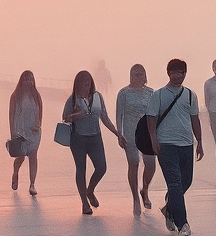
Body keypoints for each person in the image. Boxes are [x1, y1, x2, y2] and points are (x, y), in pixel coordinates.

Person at [147, 59, 204, 236]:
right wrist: (154, 140)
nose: (178, 75)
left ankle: (169, 208)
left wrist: (200, 141)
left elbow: (195, 119)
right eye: (175, 72)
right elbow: (151, 118)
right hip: (167, 145)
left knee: (186, 181)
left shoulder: (189, 95)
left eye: (182, 72)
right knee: (175, 184)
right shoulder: (159, 95)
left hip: (187, 144)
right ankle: (182, 225)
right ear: (169, 73)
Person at [62, 70, 125, 215]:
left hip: (95, 137)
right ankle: (84, 203)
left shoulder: (98, 96)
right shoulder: (72, 99)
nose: (86, 82)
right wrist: (77, 114)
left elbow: (105, 117)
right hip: (78, 138)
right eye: (83, 79)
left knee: (101, 167)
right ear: (77, 83)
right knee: (81, 169)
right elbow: (65, 118)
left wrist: (118, 134)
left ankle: (90, 190)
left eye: (88, 79)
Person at [115, 64, 157, 216]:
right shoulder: (124, 93)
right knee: (133, 163)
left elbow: (155, 114)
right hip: (130, 134)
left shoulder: (151, 93)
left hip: (146, 134)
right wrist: (119, 134)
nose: (138, 77)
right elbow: (119, 114)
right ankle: (135, 199)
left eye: (140, 74)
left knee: (151, 165)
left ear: (145, 76)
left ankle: (144, 189)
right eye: (135, 74)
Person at [9, 70, 43, 196]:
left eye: (30, 79)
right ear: (21, 80)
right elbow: (11, 114)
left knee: (33, 156)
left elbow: (40, 113)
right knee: (21, 157)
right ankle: (15, 173)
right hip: (20, 130)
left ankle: (32, 184)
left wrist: (38, 125)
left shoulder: (36, 95)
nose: (28, 81)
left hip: (34, 131)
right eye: (26, 79)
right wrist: (12, 132)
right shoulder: (15, 96)